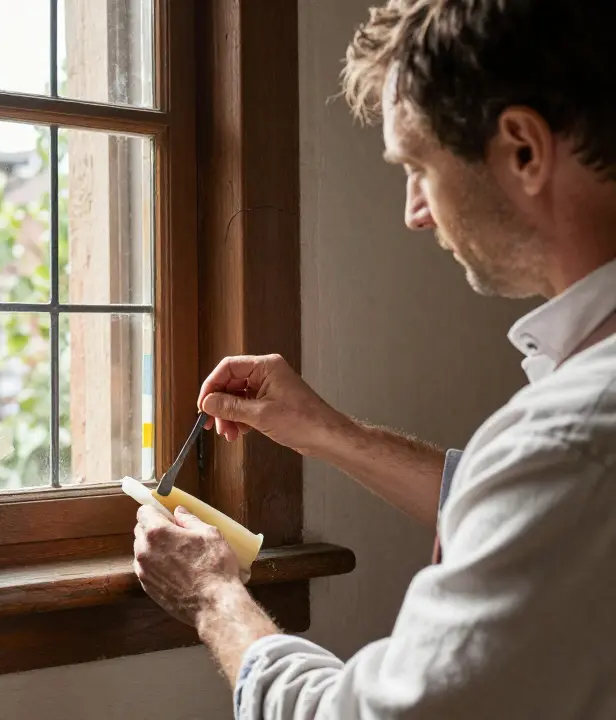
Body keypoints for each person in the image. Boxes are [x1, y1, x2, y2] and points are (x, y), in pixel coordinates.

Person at [132, 1, 616, 717]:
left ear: (523, 148)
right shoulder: (577, 442)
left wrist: (213, 598)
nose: (415, 212)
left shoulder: (575, 438)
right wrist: (329, 432)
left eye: (419, 167)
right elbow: (528, 516)